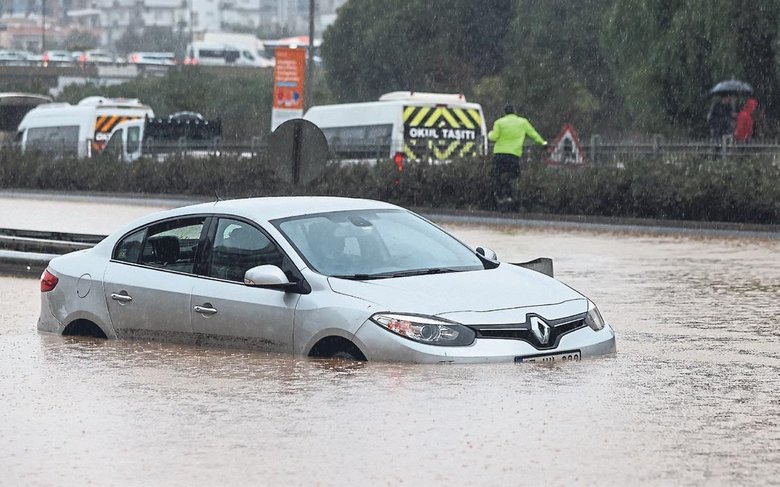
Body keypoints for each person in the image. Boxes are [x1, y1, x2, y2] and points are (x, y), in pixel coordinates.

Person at [488, 104, 547, 205]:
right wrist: (542, 143)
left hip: (499, 154)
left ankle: (499, 196)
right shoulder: (523, 122)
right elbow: (533, 134)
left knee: (496, 175)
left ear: (505, 112)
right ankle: (510, 195)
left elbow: (494, 137)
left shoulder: (499, 122)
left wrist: (489, 134)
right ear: (514, 111)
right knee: (514, 175)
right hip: (513, 154)